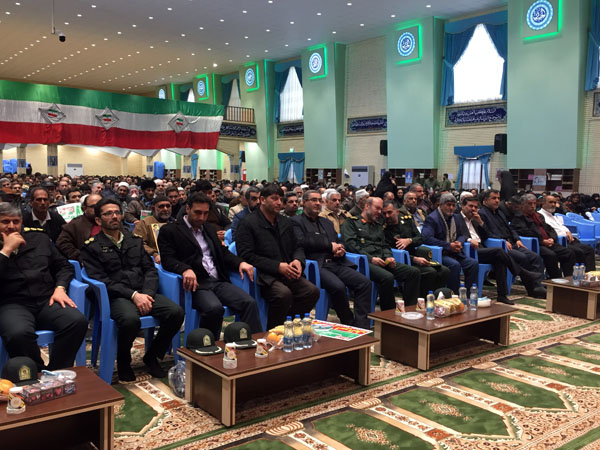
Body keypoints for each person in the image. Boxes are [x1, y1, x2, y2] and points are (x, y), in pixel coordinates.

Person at [81, 198, 184, 382]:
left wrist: (147, 294)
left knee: (175, 312)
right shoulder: (92, 247)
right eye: (108, 213)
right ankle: (123, 361)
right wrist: (133, 295)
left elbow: (150, 270)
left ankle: (152, 356)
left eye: (117, 212)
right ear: (98, 220)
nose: (114, 216)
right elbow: (102, 280)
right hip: (116, 296)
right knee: (130, 320)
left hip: (143, 291)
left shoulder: (134, 240)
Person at [158, 193, 262, 337]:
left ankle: (252, 342)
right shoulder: (170, 230)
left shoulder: (209, 229)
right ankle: (207, 345)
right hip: (195, 284)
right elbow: (167, 259)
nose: (201, 217)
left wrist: (241, 262)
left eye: (205, 213)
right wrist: (185, 269)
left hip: (217, 281)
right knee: (214, 308)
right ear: (187, 209)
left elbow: (223, 253)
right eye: (197, 212)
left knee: (249, 303)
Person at [0, 203, 87, 371]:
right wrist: (6, 250)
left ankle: (57, 372)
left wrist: (60, 288)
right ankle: (36, 372)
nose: (11, 226)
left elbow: (64, 266)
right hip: (12, 303)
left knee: (77, 322)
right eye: (5, 222)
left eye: (16, 221)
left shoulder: (38, 238)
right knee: (18, 334)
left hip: (46, 298)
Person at [236, 184, 320, 330]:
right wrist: (277, 267)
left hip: (287, 271)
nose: (279, 203)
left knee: (311, 291)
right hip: (263, 274)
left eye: (281, 199)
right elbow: (246, 255)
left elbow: (298, 246)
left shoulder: (285, 222)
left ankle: (290, 325)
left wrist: (298, 260)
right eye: (274, 199)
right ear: (262, 200)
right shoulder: (248, 223)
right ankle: (274, 331)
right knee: (283, 294)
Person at [293, 190, 372, 328]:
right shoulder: (296, 221)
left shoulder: (326, 222)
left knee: (364, 283)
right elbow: (303, 241)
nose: (317, 203)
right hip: (316, 265)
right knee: (338, 287)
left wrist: (340, 248)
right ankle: (349, 322)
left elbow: (338, 240)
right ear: (303, 202)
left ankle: (361, 325)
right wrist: (330, 246)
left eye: (319, 200)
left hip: (336, 262)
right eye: (313, 200)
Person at [458, 196, 543, 305]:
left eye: (475, 207)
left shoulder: (475, 220)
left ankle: (502, 295)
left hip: (482, 248)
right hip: (469, 250)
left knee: (500, 259)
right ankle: (523, 273)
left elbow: (486, 236)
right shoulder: (457, 218)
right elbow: (457, 235)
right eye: (470, 206)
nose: (473, 209)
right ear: (463, 206)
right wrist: (468, 240)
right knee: (499, 251)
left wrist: (480, 223)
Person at [342, 197, 421, 308]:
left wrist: (389, 257)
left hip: (382, 260)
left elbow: (384, 245)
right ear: (367, 206)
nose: (380, 212)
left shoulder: (377, 225)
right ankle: (389, 313)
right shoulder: (352, 223)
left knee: (413, 272)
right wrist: (371, 259)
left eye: (381, 209)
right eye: (377, 208)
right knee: (387, 277)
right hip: (364, 262)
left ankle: (410, 309)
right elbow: (351, 245)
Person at [478, 189, 547, 297]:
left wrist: (517, 239)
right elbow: (487, 234)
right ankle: (532, 288)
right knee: (522, 257)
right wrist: (503, 241)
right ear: (485, 200)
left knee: (535, 257)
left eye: (498, 198)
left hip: (512, 243)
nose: (497, 201)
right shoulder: (482, 214)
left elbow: (510, 228)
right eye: (494, 198)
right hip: (499, 245)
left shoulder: (499, 212)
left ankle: (538, 285)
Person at [382, 200, 450, 300]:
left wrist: (409, 240)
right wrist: (414, 259)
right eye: (384, 213)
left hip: (415, 255)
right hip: (402, 260)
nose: (387, 216)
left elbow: (420, 238)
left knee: (444, 271)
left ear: (397, 211)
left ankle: (436, 297)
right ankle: (423, 300)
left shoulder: (407, 220)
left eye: (389, 212)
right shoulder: (384, 229)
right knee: (430, 272)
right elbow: (389, 250)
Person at [421, 193, 478, 293]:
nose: (451, 208)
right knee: (454, 265)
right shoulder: (432, 218)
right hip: (441, 253)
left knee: (473, 264)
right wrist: (448, 246)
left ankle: (469, 295)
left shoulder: (456, 217)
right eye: (448, 205)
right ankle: (453, 294)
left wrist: (459, 242)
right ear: (440, 205)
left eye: (453, 205)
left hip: (455, 252)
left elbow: (462, 235)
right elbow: (427, 238)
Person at [512, 193, 576, 278]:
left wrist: (552, 238)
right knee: (551, 255)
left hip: (548, 242)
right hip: (536, 244)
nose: (533, 206)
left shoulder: (539, 216)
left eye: (534, 203)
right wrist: (542, 241)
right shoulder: (518, 217)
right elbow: (525, 232)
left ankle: (568, 278)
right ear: (522, 205)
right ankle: (555, 279)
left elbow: (550, 229)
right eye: (530, 204)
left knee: (568, 253)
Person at [539, 194, 595, 271]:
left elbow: (562, 226)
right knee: (578, 251)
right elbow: (551, 231)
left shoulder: (552, 215)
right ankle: (578, 274)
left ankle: (589, 273)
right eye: (551, 202)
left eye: (555, 203)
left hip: (567, 240)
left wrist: (568, 231)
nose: (553, 204)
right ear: (543, 203)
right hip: (559, 241)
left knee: (589, 249)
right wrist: (565, 234)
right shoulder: (540, 215)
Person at [56, 193, 103, 261]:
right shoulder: (74, 225)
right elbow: (62, 243)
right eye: (93, 206)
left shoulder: (111, 221)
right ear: (84, 209)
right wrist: (80, 257)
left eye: (101, 206)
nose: (98, 209)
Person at [133, 195, 174, 264]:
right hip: (153, 261)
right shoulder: (144, 223)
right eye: (161, 206)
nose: (165, 209)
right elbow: (138, 243)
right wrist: (154, 254)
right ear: (153, 208)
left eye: (168, 206)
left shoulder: (175, 223)